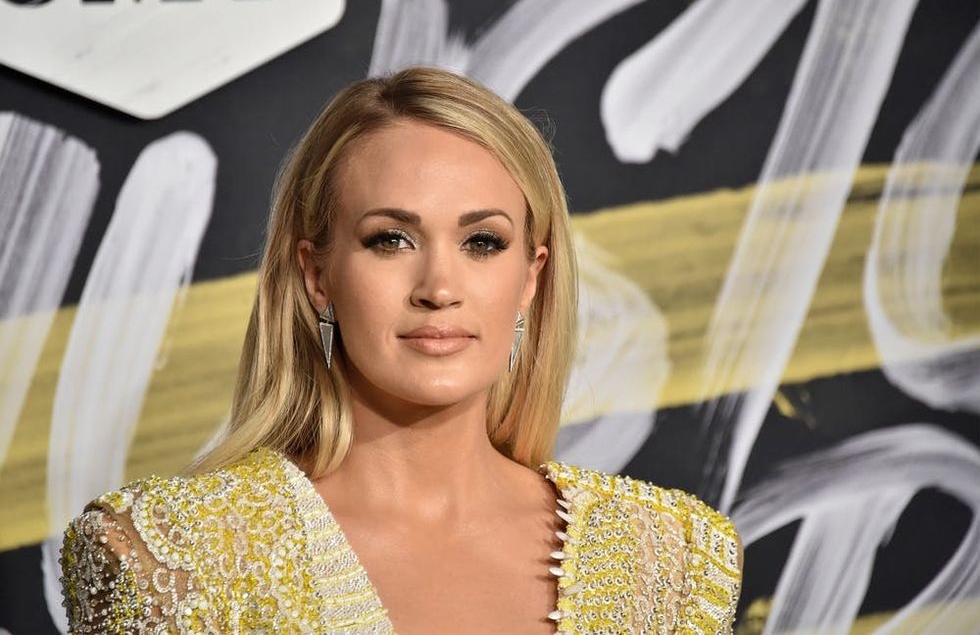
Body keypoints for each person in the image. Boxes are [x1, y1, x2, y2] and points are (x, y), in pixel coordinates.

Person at [59, 67, 743, 634]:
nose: (439, 288)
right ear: (317, 275)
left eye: (482, 242)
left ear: (531, 278)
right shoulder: (164, 553)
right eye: (390, 239)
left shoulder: (670, 558)